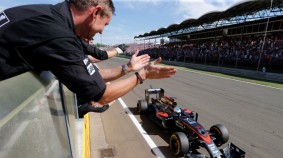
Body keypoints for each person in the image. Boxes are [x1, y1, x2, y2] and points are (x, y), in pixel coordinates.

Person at [0, 0, 176, 109]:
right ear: (95, 12)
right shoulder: (59, 36)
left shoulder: (48, 15)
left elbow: (91, 74)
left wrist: (128, 68)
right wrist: (142, 75)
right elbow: (101, 93)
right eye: (105, 24)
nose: (101, 32)